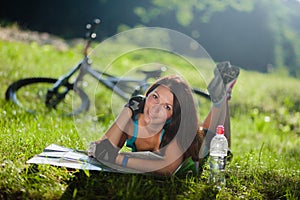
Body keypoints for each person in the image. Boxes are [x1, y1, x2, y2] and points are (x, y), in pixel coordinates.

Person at [88, 61, 240, 176]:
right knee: (208, 127)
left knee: (220, 141)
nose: (156, 109)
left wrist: (117, 159)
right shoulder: (133, 121)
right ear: (146, 95)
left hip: (200, 145)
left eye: (167, 107)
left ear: (173, 115)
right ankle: (221, 95)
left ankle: (221, 99)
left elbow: (168, 168)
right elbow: (104, 146)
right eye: (155, 97)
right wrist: (127, 110)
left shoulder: (175, 130)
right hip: (197, 132)